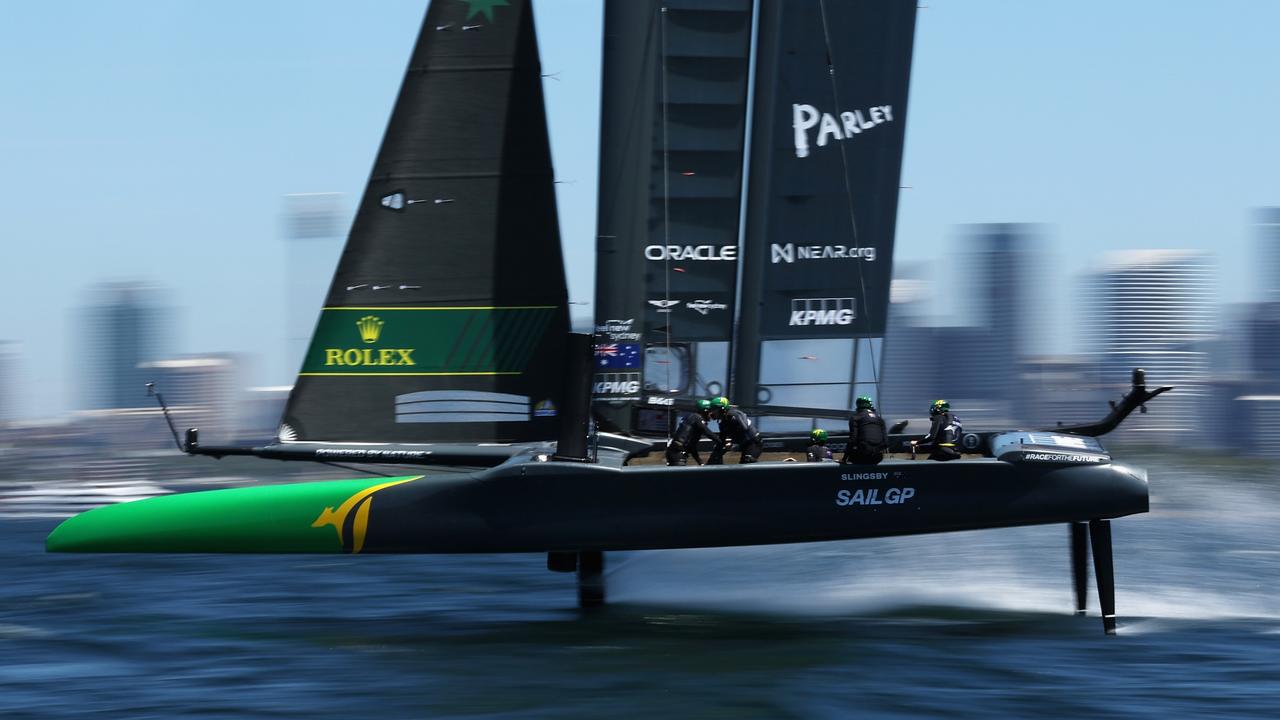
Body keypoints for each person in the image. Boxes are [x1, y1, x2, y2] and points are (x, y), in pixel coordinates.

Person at [665, 399, 723, 466]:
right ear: (705, 411)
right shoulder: (696, 418)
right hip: (677, 453)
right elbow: (708, 433)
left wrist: (700, 462)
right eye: (711, 412)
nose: (712, 415)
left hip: (676, 453)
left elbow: (692, 446)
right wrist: (721, 442)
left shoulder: (693, 421)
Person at [706, 396, 763, 464]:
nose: (712, 413)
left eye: (714, 409)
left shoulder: (733, 415)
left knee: (747, 461)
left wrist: (733, 443)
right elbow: (722, 439)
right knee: (716, 455)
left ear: (722, 409)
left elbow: (744, 428)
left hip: (754, 442)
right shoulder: (722, 423)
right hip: (743, 443)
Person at [842, 396, 888, 465]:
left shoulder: (855, 418)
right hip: (878, 458)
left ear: (858, 405)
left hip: (862, 456)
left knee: (852, 457)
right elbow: (886, 442)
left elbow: (853, 439)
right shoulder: (880, 419)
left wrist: (844, 459)